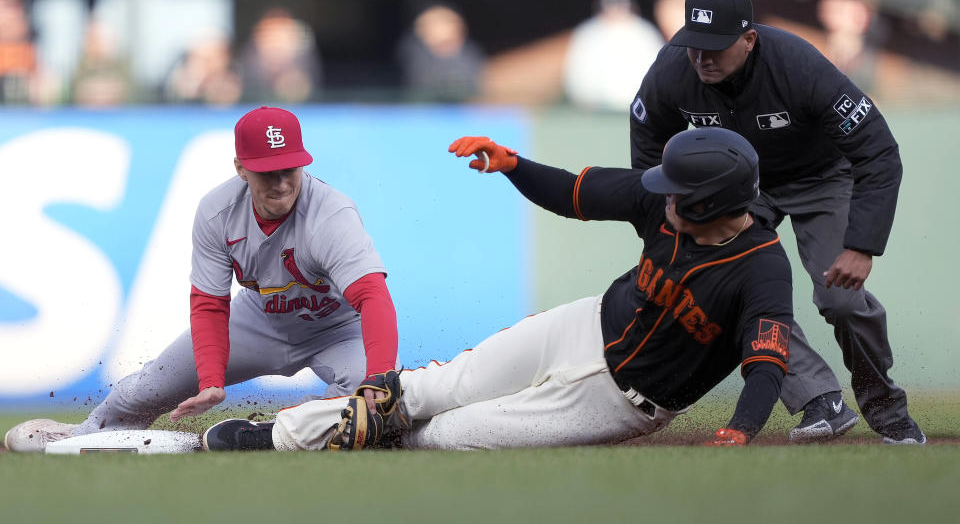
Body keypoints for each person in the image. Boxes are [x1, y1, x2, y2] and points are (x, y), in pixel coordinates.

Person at [201, 127, 797, 451]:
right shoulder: (660, 201)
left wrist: (741, 429)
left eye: (677, 194)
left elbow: (765, 364)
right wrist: (514, 165)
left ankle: (355, 440)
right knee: (430, 389)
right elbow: (574, 195)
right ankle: (272, 437)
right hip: (583, 325)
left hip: (623, 401)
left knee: (447, 436)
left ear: (713, 203)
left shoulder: (761, 269)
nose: (662, 197)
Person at [627, 0, 924, 445]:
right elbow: (647, 137)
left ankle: (885, 407)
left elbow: (879, 152)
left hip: (822, 178)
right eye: (693, 46)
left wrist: (862, 245)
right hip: (742, 189)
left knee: (840, 301)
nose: (701, 58)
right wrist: (665, 220)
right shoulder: (673, 69)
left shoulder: (799, 64)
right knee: (726, 291)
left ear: (749, 39)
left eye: (715, 47)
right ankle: (819, 398)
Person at [4, 106, 399, 452]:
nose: (280, 182)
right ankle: (84, 436)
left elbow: (372, 296)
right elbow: (210, 303)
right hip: (260, 319)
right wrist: (210, 379)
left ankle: (267, 435)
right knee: (149, 387)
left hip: (338, 329)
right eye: (267, 171)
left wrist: (379, 376)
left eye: (289, 168)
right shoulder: (217, 211)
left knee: (362, 409)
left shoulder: (331, 214)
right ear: (241, 168)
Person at [563, 0, 664, 111]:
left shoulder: (644, 32)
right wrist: (582, 97)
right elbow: (577, 70)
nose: (615, 10)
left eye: (619, 6)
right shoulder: (587, 32)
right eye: (611, 6)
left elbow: (657, 69)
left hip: (637, 106)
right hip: (597, 108)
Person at [395, 2, 486, 103]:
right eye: (436, 23)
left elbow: (477, 84)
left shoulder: (470, 52)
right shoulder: (412, 51)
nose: (447, 28)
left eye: (452, 22)